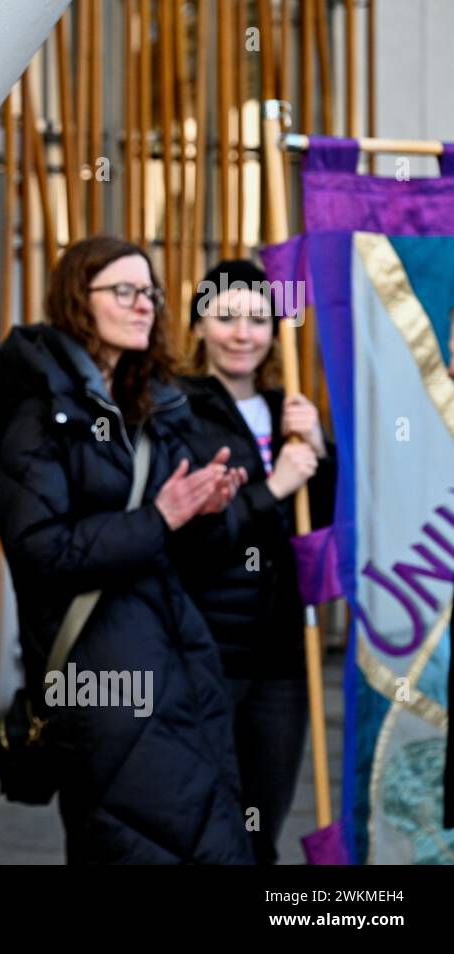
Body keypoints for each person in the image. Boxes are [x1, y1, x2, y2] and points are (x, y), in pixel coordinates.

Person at [0, 235, 254, 864]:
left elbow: (181, 548)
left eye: (151, 293)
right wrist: (161, 517)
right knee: (135, 844)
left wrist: (209, 510)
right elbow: (39, 551)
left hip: (178, 661)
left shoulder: (149, 401)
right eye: (126, 291)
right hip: (104, 682)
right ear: (79, 300)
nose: (145, 305)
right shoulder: (40, 413)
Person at [178, 259, 336, 864]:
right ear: (199, 326)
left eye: (257, 318)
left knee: (261, 826)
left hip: (282, 655)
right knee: (204, 820)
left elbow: (322, 527)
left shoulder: (287, 409)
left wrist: (318, 453)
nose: (243, 333)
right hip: (207, 648)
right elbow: (189, 535)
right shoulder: (177, 411)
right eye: (226, 317)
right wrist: (273, 488)